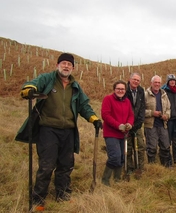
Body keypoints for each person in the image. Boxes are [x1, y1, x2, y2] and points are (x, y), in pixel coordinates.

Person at [16, 53, 103, 208]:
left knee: (66, 165)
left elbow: (84, 106)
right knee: (47, 165)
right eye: (63, 63)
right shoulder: (47, 79)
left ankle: (62, 195)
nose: (66, 66)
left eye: (69, 64)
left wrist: (93, 119)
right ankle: (38, 200)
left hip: (68, 131)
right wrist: (29, 89)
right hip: (48, 130)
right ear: (58, 65)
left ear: (73, 68)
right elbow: (32, 84)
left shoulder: (75, 86)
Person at [101, 80, 134, 186]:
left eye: (123, 89)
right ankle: (105, 180)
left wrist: (129, 123)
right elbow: (105, 115)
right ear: (114, 89)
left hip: (123, 134)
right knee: (115, 156)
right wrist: (118, 125)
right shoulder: (108, 99)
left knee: (121, 157)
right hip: (111, 133)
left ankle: (117, 179)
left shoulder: (127, 101)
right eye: (118, 89)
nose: (120, 91)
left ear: (125, 90)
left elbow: (131, 115)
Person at [144, 75, 172, 167]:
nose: (157, 84)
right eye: (155, 82)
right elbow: (141, 111)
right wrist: (152, 113)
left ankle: (166, 166)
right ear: (151, 83)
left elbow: (168, 108)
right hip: (150, 125)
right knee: (151, 147)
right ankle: (152, 167)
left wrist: (167, 115)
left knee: (165, 146)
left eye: (159, 83)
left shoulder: (164, 94)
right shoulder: (145, 94)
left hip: (162, 125)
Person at [125, 73, 146, 175]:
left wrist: (138, 123)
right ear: (130, 79)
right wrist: (128, 124)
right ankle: (129, 168)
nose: (136, 81)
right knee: (128, 147)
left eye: (138, 80)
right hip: (126, 125)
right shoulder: (124, 90)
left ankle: (140, 167)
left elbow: (142, 108)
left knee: (140, 146)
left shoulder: (141, 91)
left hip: (137, 124)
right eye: (134, 79)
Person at [161, 74, 176, 164]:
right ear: (168, 82)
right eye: (171, 80)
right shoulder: (164, 92)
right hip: (169, 119)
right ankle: (168, 157)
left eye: (174, 80)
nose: (172, 82)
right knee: (168, 139)